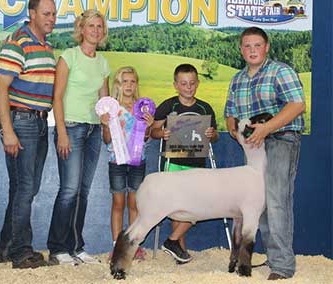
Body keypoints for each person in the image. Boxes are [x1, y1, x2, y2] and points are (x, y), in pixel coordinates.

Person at [224, 27, 305, 280]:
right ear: (241, 49)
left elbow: (297, 104)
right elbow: (230, 115)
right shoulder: (237, 79)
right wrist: (236, 132)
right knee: (260, 202)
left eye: (257, 45)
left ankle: (282, 265)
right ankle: (273, 257)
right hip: (254, 146)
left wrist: (267, 128)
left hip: (281, 138)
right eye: (247, 46)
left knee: (276, 198)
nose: (252, 50)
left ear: (267, 46)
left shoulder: (281, 71)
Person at [0, 0, 56, 269]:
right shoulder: (18, 41)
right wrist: (8, 130)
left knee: (22, 189)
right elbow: (0, 88)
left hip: (40, 121)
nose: (52, 19)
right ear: (32, 13)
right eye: (46, 14)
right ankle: (21, 252)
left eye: (54, 14)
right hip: (22, 122)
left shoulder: (46, 45)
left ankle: (7, 249)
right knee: (25, 188)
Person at [47, 9, 110, 266]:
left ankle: (76, 246)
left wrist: (107, 123)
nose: (95, 30)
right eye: (90, 26)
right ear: (81, 29)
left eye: (99, 26)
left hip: (94, 131)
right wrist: (61, 132)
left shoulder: (104, 63)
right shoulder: (68, 57)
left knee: (82, 192)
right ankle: (57, 248)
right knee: (69, 190)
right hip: (71, 128)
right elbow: (57, 97)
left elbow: (104, 103)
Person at [150, 63, 219, 263]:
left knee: (199, 205)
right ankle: (180, 251)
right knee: (176, 208)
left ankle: (172, 242)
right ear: (176, 85)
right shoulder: (167, 105)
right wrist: (161, 133)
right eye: (183, 84)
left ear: (197, 83)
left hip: (197, 164)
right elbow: (152, 132)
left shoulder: (205, 107)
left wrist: (212, 134)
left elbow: (213, 138)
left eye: (191, 83)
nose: (188, 87)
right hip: (173, 163)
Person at [100, 66, 154, 260]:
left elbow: (146, 138)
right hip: (116, 161)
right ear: (118, 85)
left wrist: (148, 127)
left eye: (132, 81)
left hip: (138, 162)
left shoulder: (143, 109)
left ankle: (132, 244)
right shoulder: (111, 109)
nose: (129, 85)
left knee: (134, 204)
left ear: (136, 84)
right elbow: (106, 139)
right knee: (118, 203)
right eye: (125, 81)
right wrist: (105, 124)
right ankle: (117, 246)